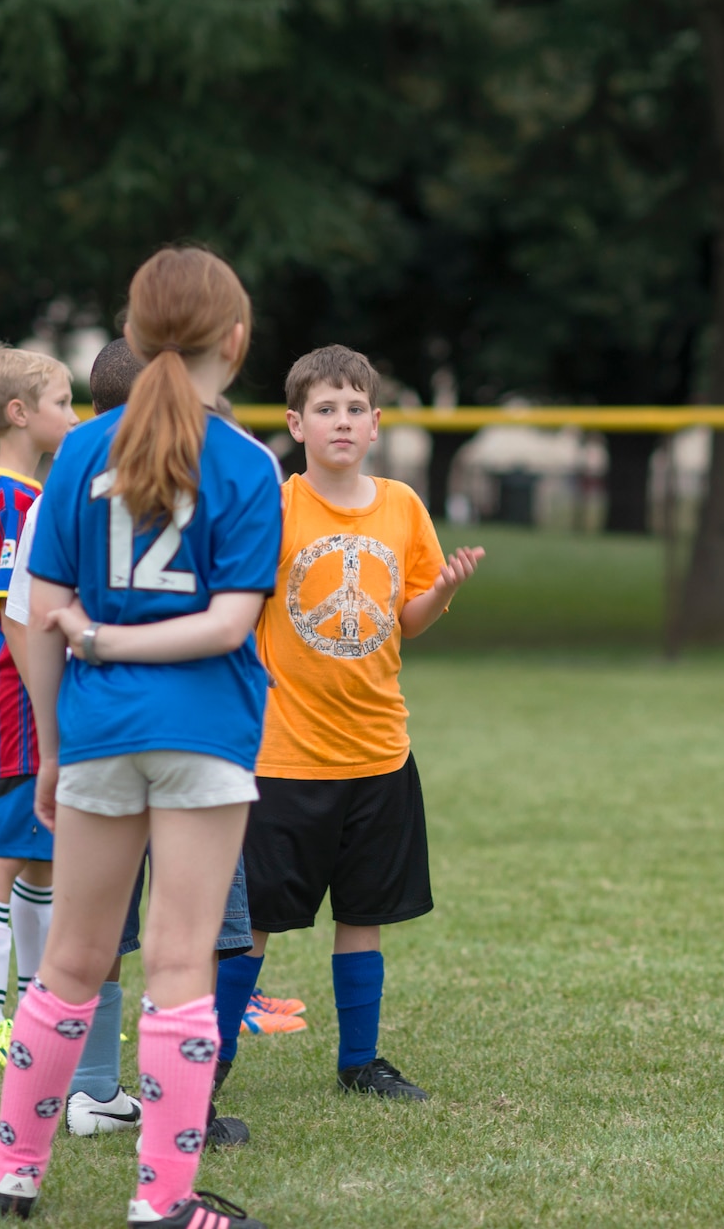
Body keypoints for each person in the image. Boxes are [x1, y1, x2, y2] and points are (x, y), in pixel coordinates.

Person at [61, 344, 482, 1103]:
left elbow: (407, 619)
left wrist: (442, 591)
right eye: (326, 409)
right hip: (284, 755)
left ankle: (362, 1059)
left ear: (379, 423)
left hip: (380, 751)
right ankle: (209, 1067)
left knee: (365, 914)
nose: (342, 421)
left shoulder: (402, 507)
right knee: (245, 930)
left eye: (356, 409)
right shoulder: (275, 502)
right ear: (296, 423)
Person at [0, 246, 277, 1229]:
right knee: (180, 963)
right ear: (234, 341)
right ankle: (162, 1202)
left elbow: (35, 612)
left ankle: (13, 1175)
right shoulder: (245, 461)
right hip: (204, 732)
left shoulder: (78, 455)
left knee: (70, 959)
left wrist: (58, 745)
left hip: (100, 728)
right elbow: (230, 625)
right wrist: (115, 639)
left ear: (136, 337)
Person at [0, 342, 78, 1066]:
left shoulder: (28, 493)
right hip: (21, 693)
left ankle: (36, 1014)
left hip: (33, 692)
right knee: (3, 851)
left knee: (41, 859)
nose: (72, 415)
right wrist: (45, 703)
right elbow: (15, 613)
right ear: (19, 413)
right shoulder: (10, 498)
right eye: (62, 402)